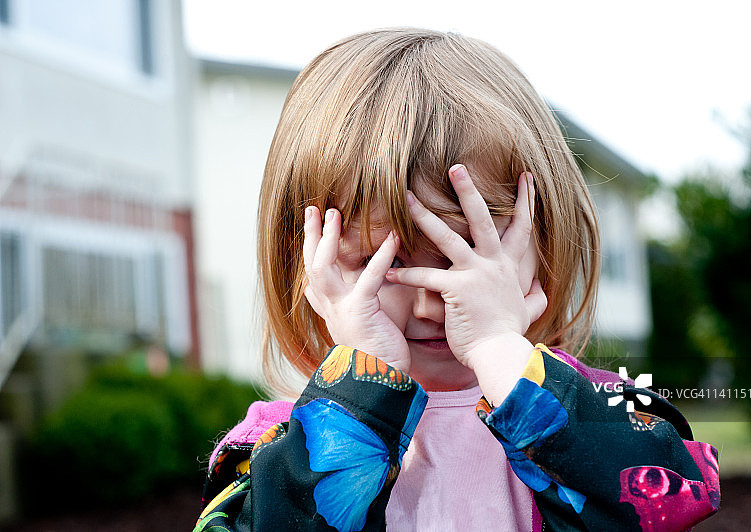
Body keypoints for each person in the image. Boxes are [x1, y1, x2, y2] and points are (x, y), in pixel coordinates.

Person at [194, 28, 720, 531]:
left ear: (544, 244)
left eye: (466, 254)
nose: (430, 304)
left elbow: (666, 504)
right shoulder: (274, 442)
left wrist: (496, 347)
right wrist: (361, 389)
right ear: (306, 264)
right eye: (379, 263)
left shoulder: (601, 409)